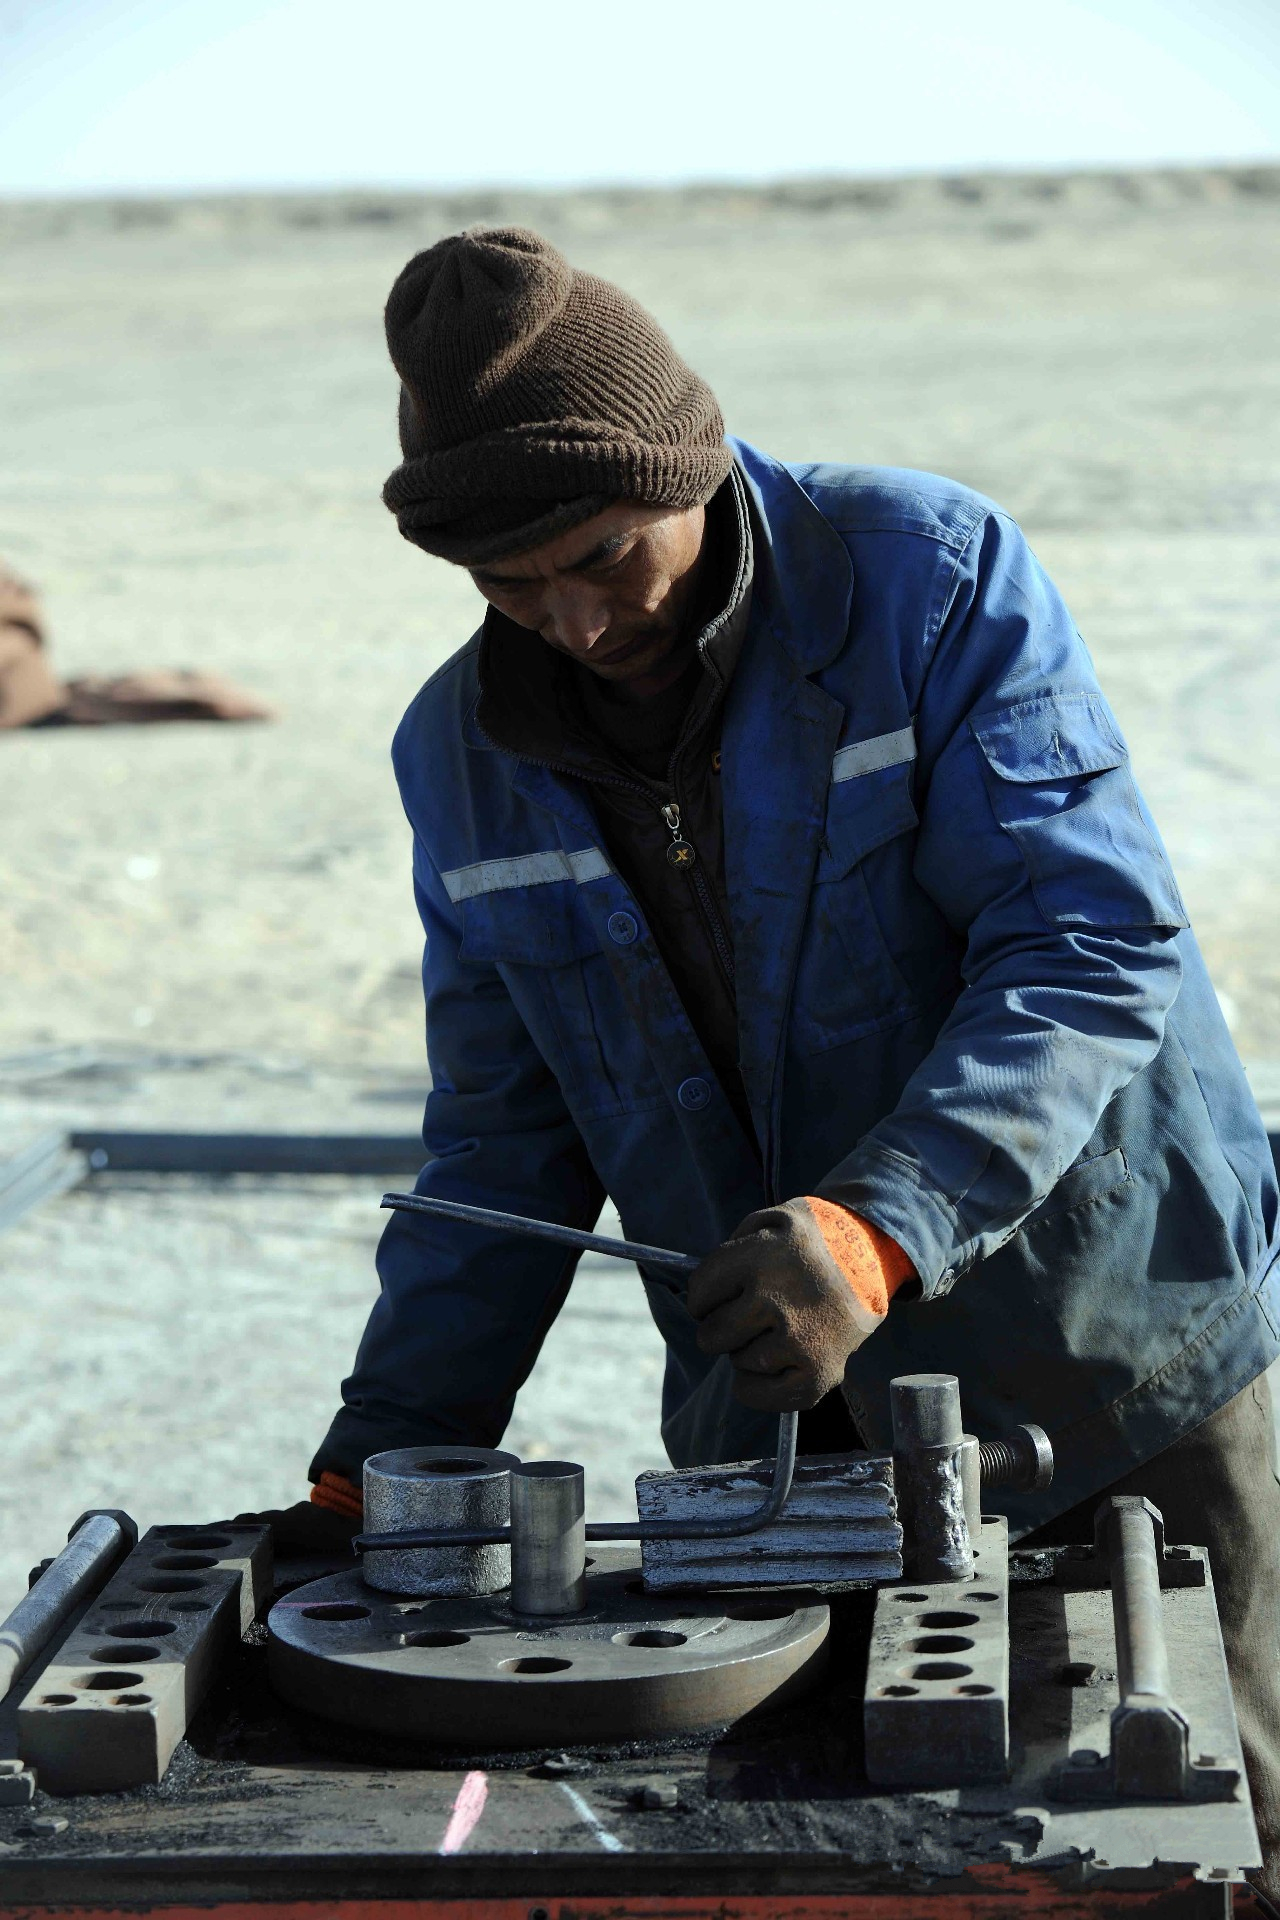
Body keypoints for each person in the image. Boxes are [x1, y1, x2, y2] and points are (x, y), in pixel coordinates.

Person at [264, 228, 1280, 1880]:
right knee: (867, 1859)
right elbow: (499, 1148)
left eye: (606, 555)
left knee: (1196, 1832)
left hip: (1109, 1362)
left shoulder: (925, 581)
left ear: (694, 464)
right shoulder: (461, 756)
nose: (574, 619)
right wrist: (371, 1467)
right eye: (509, 586)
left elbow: (1088, 944)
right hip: (786, 1446)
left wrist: (880, 1231)